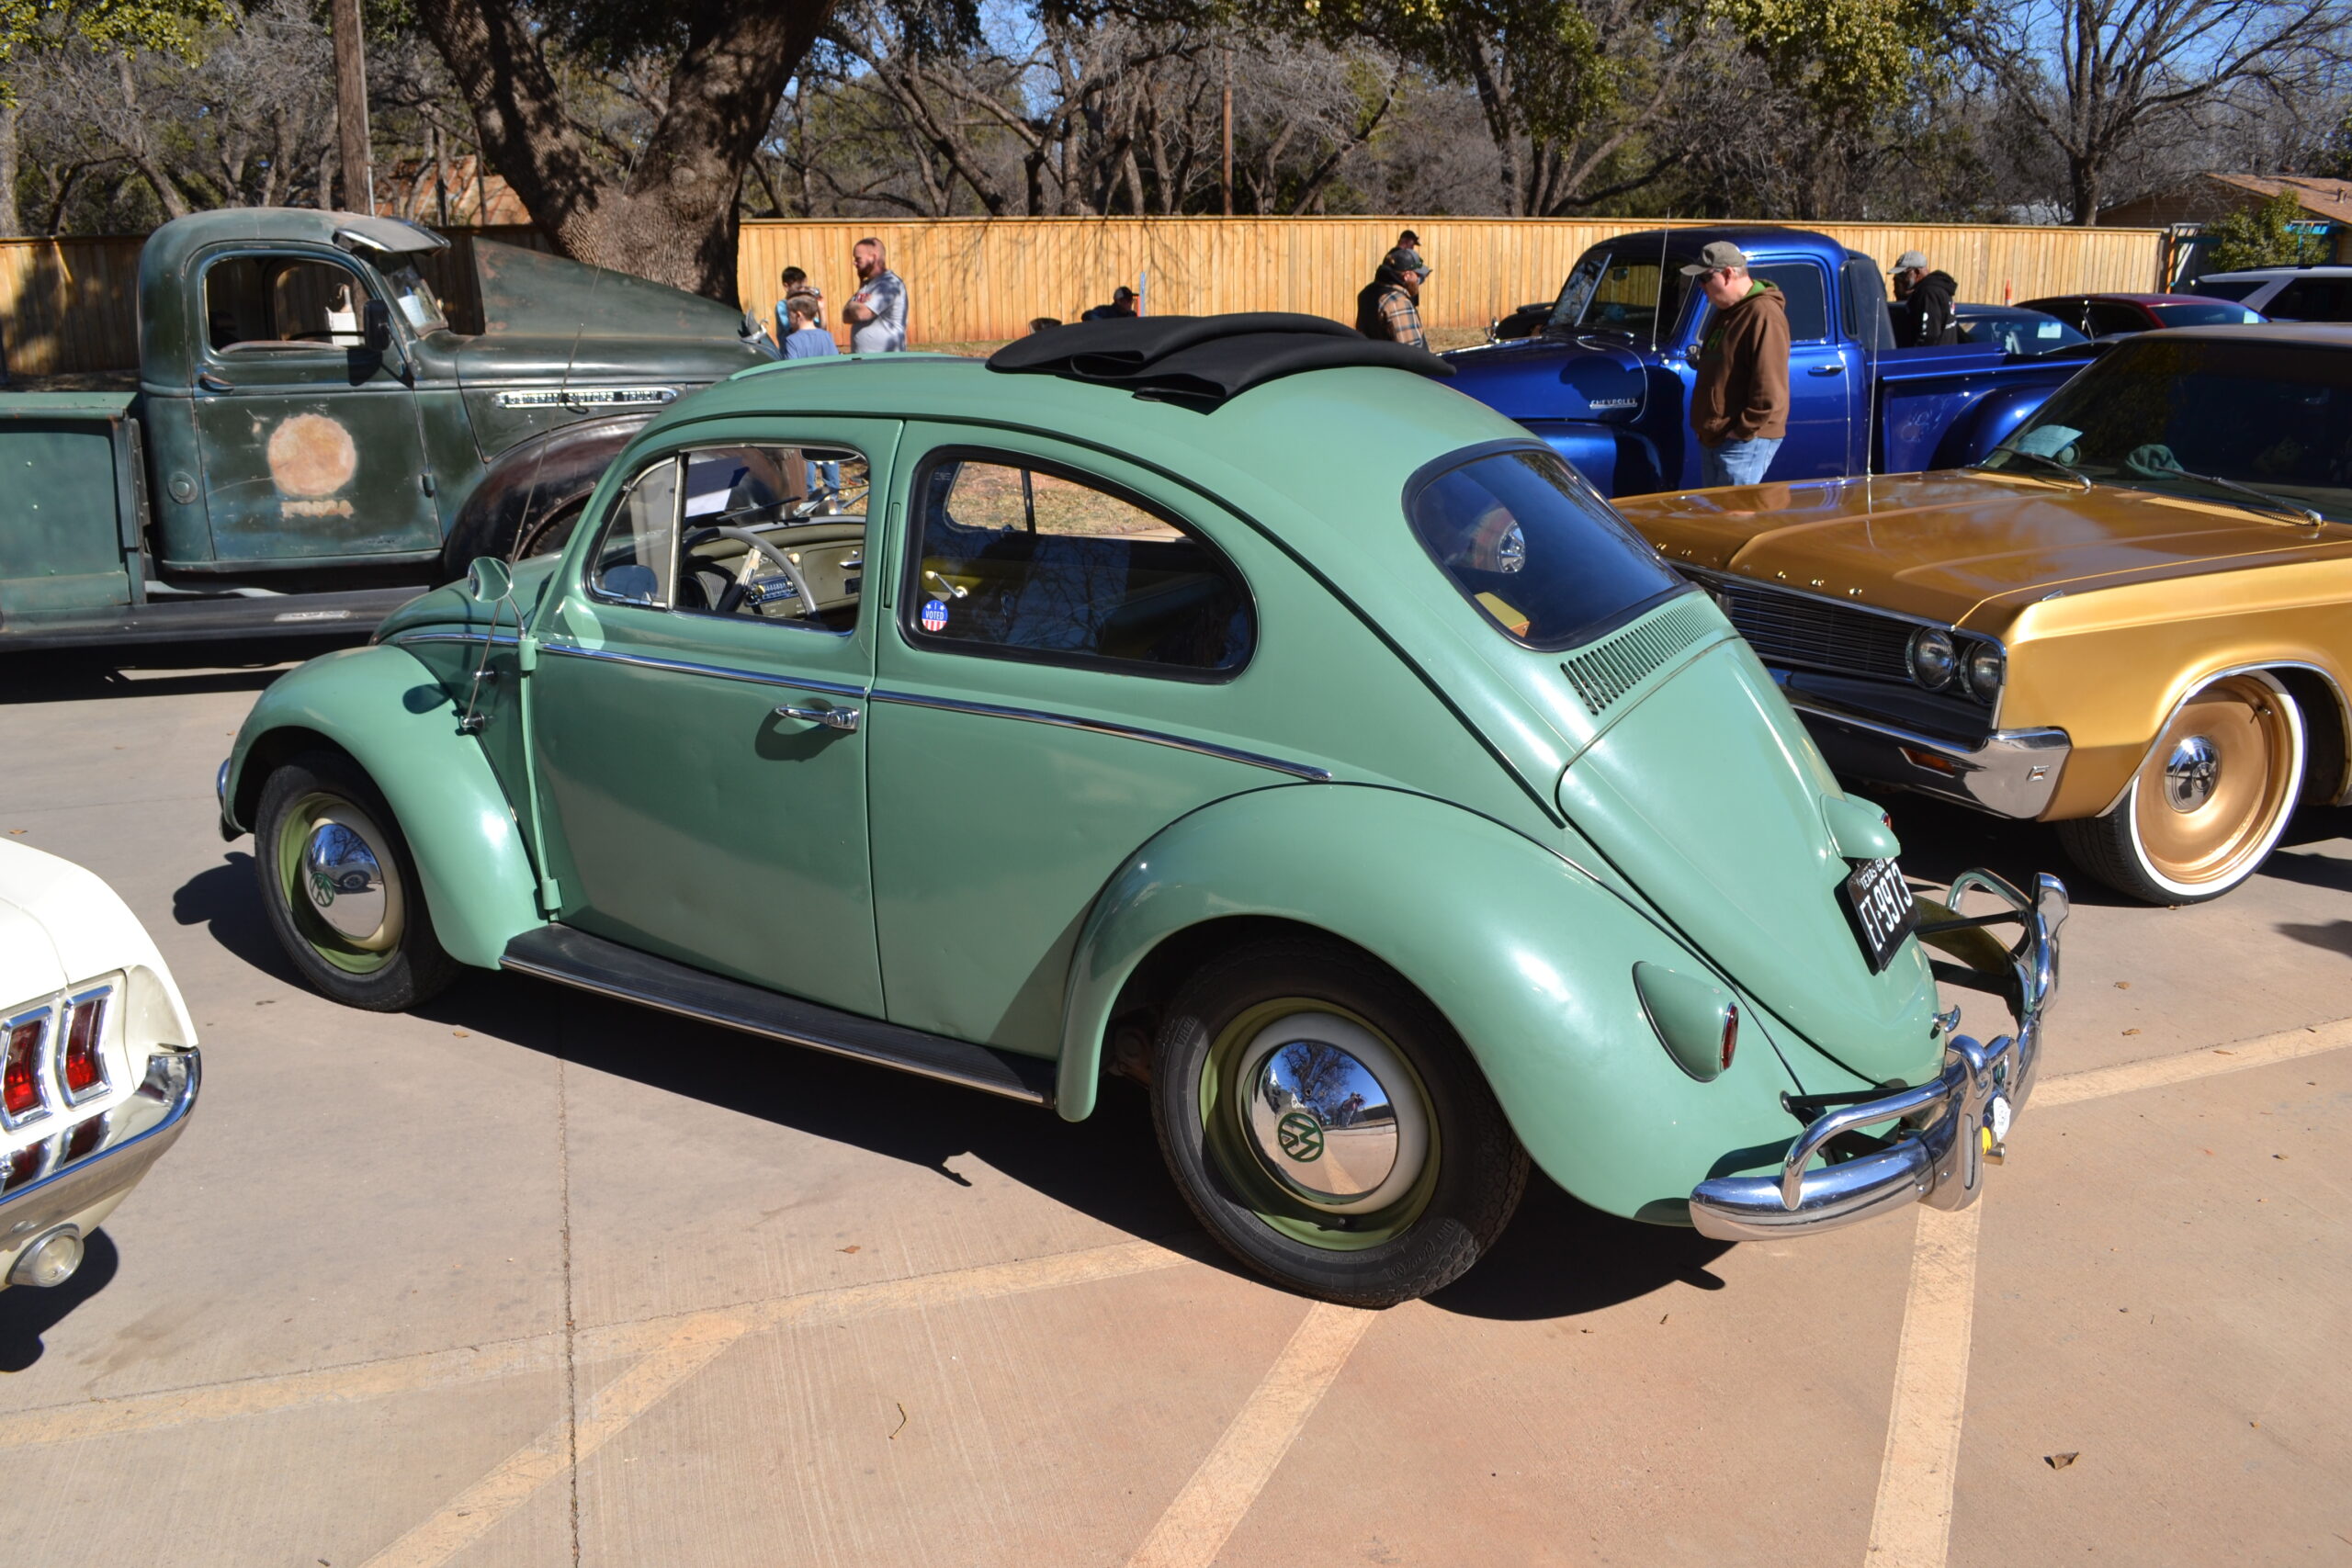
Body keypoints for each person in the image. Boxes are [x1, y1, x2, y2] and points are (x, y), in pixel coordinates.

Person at [1681, 240, 1790, 488]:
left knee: (1735, 510)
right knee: (1716, 511)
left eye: (1705, 278)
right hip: (1717, 437)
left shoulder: (1764, 314)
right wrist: (1707, 424)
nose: (1701, 286)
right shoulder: (1726, 310)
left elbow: (1769, 387)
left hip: (1743, 441)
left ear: (1728, 273)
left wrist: (1741, 431)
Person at [1355, 246, 1429, 350]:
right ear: (1407, 275)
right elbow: (1412, 352)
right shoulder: (1397, 302)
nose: (1419, 281)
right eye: (1419, 276)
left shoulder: (1366, 293)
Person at [843, 238, 908, 354]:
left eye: (858, 259)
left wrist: (852, 304)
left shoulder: (889, 284)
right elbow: (845, 317)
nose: (854, 263)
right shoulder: (867, 285)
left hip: (885, 360)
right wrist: (855, 307)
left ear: (873, 258)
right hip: (863, 360)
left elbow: (862, 314)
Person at [1889, 251, 1959, 348]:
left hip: (1933, 356)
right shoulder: (1939, 288)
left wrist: (1914, 354)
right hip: (1946, 353)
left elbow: (1929, 335)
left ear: (1916, 272)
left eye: (1903, 275)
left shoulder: (1927, 292)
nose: (1902, 280)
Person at [774, 265, 822, 344]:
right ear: (786, 286)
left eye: (805, 287)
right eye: (799, 288)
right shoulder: (782, 306)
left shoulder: (805, 304)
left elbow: (821, 328)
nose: (803, 290)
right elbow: (794, 330)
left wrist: (821, 309)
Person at [780, 295, 836, 359]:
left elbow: (791, 365)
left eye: (789, 314)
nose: (787, 317)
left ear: (798, 315)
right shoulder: (827, 336)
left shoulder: (791, 341)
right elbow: (835, 361)